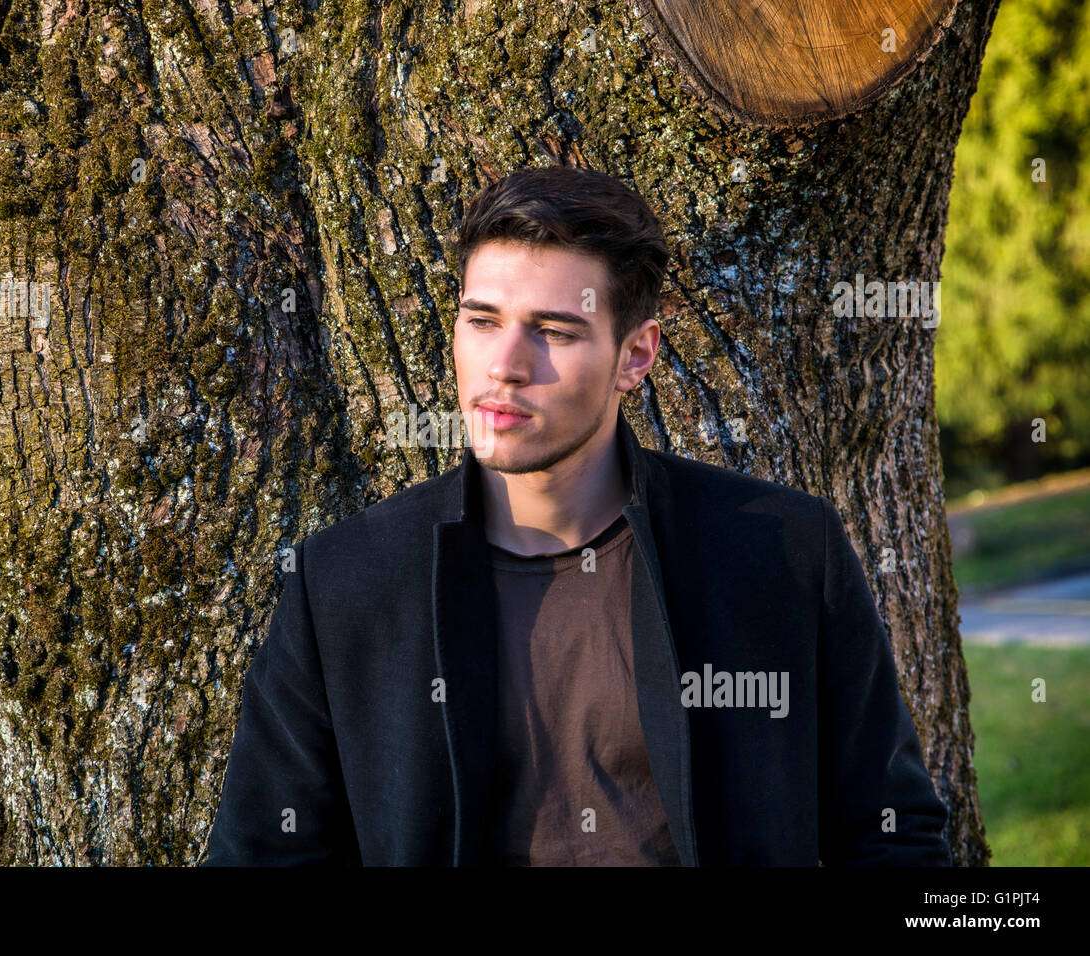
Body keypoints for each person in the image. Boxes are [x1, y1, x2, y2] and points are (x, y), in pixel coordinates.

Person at [202, 165, 951, 866]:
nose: (505, 365)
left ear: (635, 357)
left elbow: (890, 833)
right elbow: (263, 853)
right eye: (483, 321)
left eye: (554, 332)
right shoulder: (346, 583)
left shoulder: (782, 552)